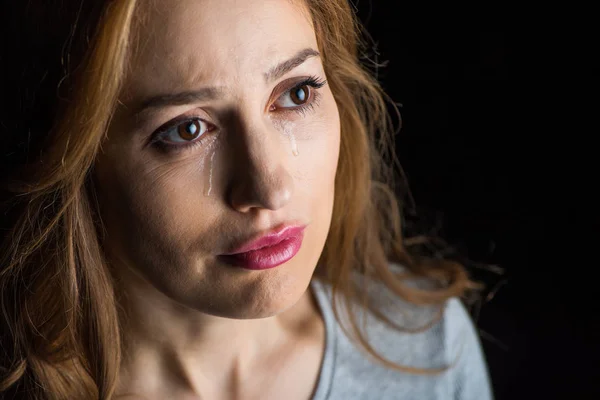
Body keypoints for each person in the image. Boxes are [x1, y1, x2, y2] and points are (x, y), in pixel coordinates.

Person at [0, 0, 493, 399]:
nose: (269, 188)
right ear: (76, 159)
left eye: (296, 95)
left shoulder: (427, 351)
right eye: (187, 129)